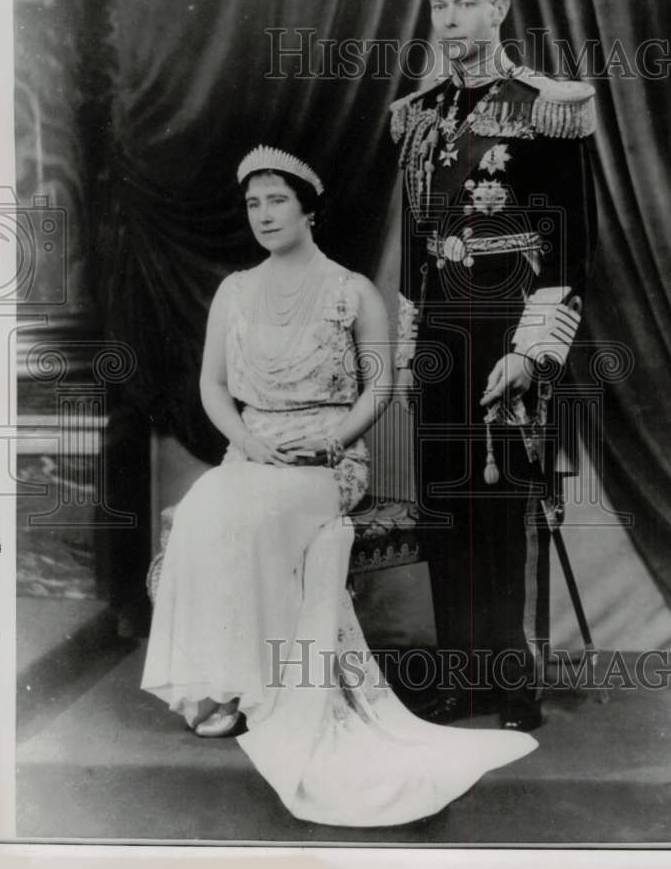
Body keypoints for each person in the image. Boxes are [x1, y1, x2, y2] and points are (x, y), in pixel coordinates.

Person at [141, 144, 538, 826]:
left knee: (261, 518)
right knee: (208, 505)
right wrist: (246, 441)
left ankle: (270, 688)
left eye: (277, 201)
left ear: (308, 210)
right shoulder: (235, 289)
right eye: (253, 204)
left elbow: (379, 385)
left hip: (330, 459)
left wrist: (330, 439)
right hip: (254, 450)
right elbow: (210, 385)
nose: (263, 215)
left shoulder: (350, 289)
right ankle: (227, 685)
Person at [390, 0, 598, 731]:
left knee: (500, 503)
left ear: (498, 8)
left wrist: (530, 349)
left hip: (506, 324)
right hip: (441, 325)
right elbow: (416, 243)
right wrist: (410, 344)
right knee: (445, 504)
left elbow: (571, 243)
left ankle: (510, 687)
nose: (450, 21)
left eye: (466, 4)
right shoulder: (417, 115)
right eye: (440, 7)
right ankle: (457, 680)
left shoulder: (544, 106)